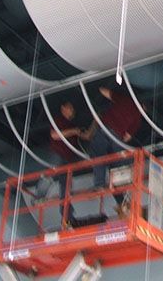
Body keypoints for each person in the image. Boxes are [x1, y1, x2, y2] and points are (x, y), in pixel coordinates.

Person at [85, 86, 143, 215]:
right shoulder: (138, 117)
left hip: (106, 129)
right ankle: (122, 202)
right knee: (115, 169)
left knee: (98, 155)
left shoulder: (125, 100)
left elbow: (106, 92)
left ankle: (99, 185)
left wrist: (98, 87)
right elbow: (127, 137)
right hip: (117, 139)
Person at [39, 101, 81, 226]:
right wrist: (73, 131)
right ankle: (39, 196)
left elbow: (86, 136)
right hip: (58, 155)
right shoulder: (59, 120)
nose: (72, 111)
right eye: (70, 108)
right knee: (51, 176)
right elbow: (55, 135)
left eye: (73, 109)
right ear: (63, 108)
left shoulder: (71, 125)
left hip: (68, 160)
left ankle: (67, 216)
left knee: (66, 187)